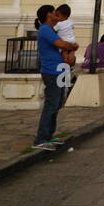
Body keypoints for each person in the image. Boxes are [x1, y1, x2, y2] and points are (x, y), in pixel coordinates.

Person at [34, 9, 78, 151]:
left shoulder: (52, 29)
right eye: (53, 12)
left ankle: (49, 135)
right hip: (51, 70)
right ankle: (41, 138)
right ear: (48, 15)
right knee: (51, 103)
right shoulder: (45, 29)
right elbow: (62, 44)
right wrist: (73, 46)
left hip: (60, 69)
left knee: (58, 102)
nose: (56, 15)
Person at [53, 4, 78, 101]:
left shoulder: (58, 25)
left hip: (64, 43)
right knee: (70, 55)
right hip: (72, 41)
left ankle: (66, 61)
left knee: (64, 55)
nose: (56, 18)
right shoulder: (70, 21)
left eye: (57, 16)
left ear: (63, 16)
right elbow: (72, 28)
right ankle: (69, 66)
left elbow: (53, 30)